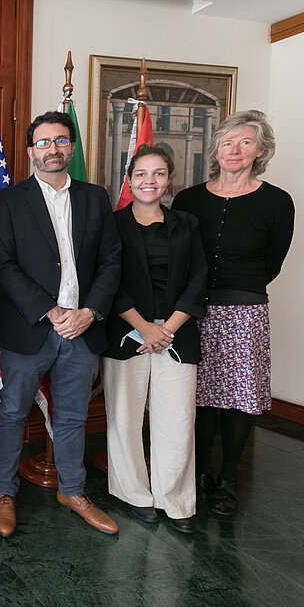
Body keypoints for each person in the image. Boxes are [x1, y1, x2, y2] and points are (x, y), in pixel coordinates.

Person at [0, 111, 122, 537]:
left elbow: (111, 262)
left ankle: (73, 491)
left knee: (72, 416)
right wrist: (50, 311)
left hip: (83, 329)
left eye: (61, 140)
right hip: (30, 327)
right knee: (12, 412)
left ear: (71, 147)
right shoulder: (10, 200)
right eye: (44, 142)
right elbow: (3, 265)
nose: (53, 149)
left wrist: (89, 312)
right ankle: (4, 492)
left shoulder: (95, 198)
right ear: (31, 151)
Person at [171, 110, 294, 516]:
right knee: (201, 394)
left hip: (244, 311)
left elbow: (273, 262)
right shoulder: (188, 200)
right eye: (227, 142)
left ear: (261, 151)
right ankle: (201, 470)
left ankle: (227, 480)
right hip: (193, 310)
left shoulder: (277, 202)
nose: (235, 151)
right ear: (216, 150)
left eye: (245, 143)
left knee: (240, 397)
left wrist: (239, 292)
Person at [102, 145, 208, 534]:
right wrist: (144, 327)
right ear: (129, 180)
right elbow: (107, 280)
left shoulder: (187, 223)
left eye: (159, 173)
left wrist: (168, 329)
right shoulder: (112, 223)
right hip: (126, 331)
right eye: (142, 174)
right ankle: (133, 494)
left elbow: (199, 278)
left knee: (178, 419)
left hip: (178, 332)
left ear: (168, 180)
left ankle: (175, 500)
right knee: (125, 417)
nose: (150, 181)